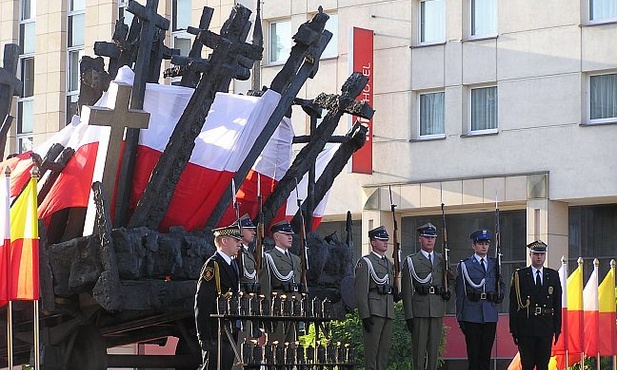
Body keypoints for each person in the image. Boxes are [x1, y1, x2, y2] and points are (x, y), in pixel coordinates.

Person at [454, 229, 505, 370]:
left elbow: (502, 284)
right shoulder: (465, 265)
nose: (484, 246)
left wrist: (499, 294)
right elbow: (460, 293)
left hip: (489, 314)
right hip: (472, 315)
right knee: (474, 355)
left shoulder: (495, 264)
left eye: (486, 244)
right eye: (480, 243)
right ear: (474, 246)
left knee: (486, 355)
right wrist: (460, 317)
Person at [194, 223, 242, 370]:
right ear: (224, 241)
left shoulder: (233, 264)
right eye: (236, 240)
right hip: (215, 331)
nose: (239, 244)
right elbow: (202, 301)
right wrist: (204, 336)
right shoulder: (213, 265)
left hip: (229, 328)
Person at [401, 222, 449, 370]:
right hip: (419, 309)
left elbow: (452, 279)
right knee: (419, 350)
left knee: (434, 350)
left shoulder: (442, 259)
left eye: (433, 237)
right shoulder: (412, 261)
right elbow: (407, 290)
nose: (430, 240)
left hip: (436, 308)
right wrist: (409, 315)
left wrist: (448, 291)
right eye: (427, 237)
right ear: (420, 239)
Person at [509, 240, 562, 370]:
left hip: (545, 326)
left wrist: (557, 328)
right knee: (527, 364)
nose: (539, 257)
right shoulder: (519, 275)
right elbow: (513, 304)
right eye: (536, 254)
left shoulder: (553, 275)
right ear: (530, 255)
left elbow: (557, 303)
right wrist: (513, 329)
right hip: (526, 327)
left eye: (542, 254)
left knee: (543, 364)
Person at [353, 225, 395, 370]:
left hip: (387, 310)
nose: (385, 242)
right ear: (373, 242)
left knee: (384, 353)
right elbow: (360, 291)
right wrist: (364, 315)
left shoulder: (389, 263)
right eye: (381, 239)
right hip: (374, 311)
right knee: (372, 352)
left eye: (386, 240)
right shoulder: (365, 262)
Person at [259, 219, 303, 343]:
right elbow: (265, 286)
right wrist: (266, 311)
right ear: (276, 236)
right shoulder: (268, 257)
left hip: (296, 308)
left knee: (293, 346)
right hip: (278, 308)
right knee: (277, 345)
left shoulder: (296, 259)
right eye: (286, 234)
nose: (290, 237)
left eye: (291, 235)